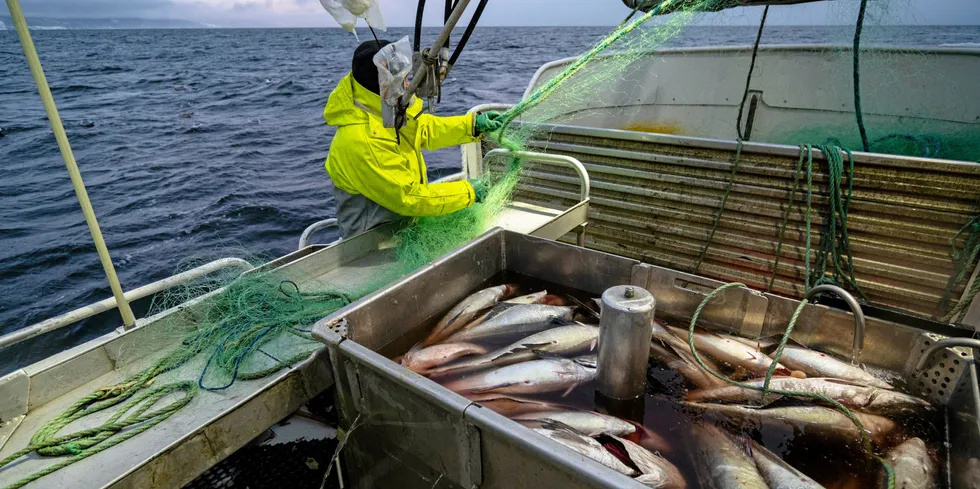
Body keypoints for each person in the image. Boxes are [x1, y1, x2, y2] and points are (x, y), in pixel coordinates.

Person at [323, 39, 503, 238]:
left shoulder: (383, 111)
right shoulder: (362, 140)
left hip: (402, 233)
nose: (409, 85)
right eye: (402, 79)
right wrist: (468, 192)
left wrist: (472, 125)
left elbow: (423, 129)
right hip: (372, 250)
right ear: (383, 85)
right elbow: (409, 197)